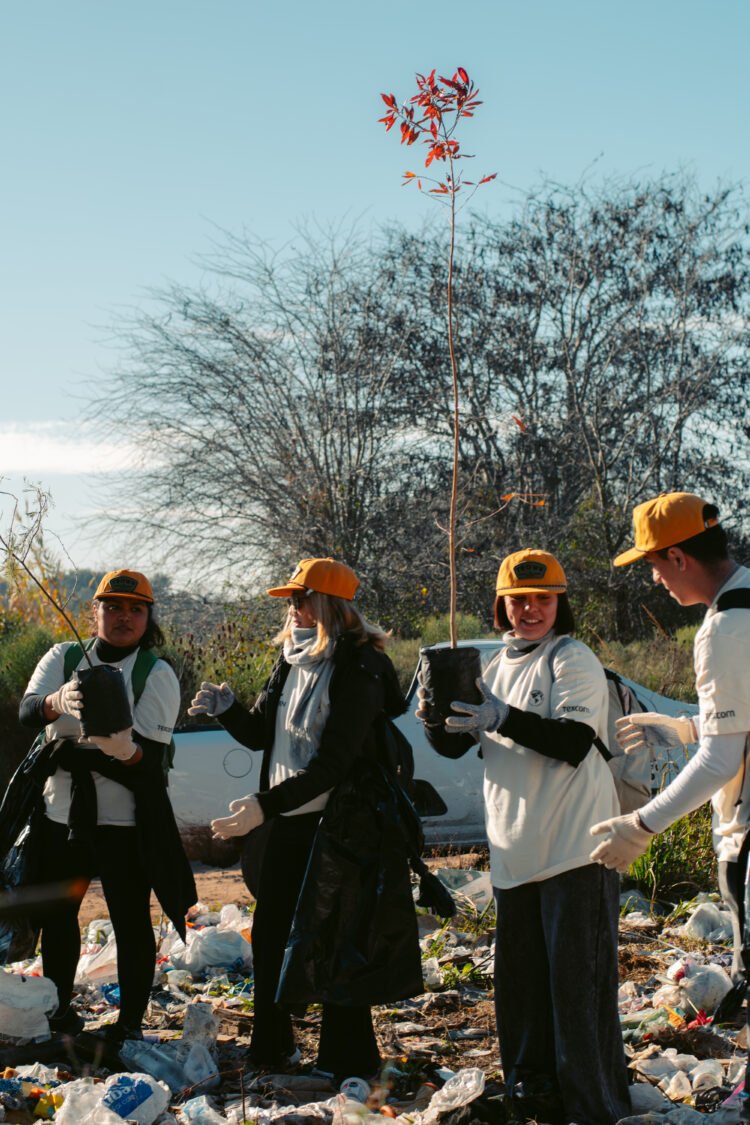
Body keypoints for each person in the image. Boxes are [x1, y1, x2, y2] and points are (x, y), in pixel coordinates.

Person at [417, 549, 630, 1125]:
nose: (530, 609)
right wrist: (433, 715)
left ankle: (594, 1109)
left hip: (574, 851)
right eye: (518, 599)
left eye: (542, 598)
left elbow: (571, 741)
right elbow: (460, 740)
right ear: (500, 605)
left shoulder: (572, 658)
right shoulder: (495, 665)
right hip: (514, 856)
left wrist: (501, 717)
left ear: (561, 603)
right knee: (523, 997)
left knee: (578, 998)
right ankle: (532, 1101)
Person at [188, 557, 418, 1082]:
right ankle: (270, 1049)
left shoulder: (358, 666)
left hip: (336, 828)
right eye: (290, 600)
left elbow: (335, 764)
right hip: (290, 822)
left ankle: (349, 1058)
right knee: (270, 936)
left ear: (331, 605)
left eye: (301, 598)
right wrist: (227, 708)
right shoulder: (293, 658)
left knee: (336, 942)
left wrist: (263, 806)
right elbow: (262, 736)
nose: (292, 608)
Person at [16, 569, 196, 1046]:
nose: (123, 617)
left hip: (124, 823)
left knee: (130, 919)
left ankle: (130, 1023)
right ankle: (58, 1014)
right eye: (113, 607)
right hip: (61, 817)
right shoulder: (64, 656)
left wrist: (117, 748)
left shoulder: (155, 674)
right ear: (94, 613)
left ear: (148, 617)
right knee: (58, 919)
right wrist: (56, 701)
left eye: (135, 609)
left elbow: (149, 765)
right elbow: (26, 710)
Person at [590, 493, 750, 994]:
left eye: (654, 565)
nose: (654, 579)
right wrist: (689, 727)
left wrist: (641, 824)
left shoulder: (724, 627)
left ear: (678, 557)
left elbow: (722, 760)